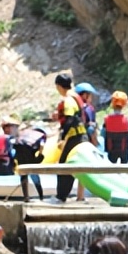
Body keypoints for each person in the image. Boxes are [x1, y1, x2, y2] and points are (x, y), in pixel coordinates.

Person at [52, 73, 85, 202]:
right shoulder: (73, 96)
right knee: (70, 165)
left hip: (74, 137)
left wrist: (63, 137)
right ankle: (64, 195)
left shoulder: (68, 100)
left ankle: (61, 196)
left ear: (59, 86)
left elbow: (70, 119)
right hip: (80, 135)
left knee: (63, 166)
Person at [13, 124, 47, 202]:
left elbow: (16, 142)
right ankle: (41, 196)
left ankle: (26, 197)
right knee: (34, 175)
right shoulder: (41, 136)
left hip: (19, 151)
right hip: (29, 154)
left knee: (24, 176)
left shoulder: (26, 133)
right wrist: (40, 154)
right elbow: (42, 145)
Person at [102, 91, 128, 164]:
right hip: (124, 151)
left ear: (112, 104)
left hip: (111, 150)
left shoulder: (106, 119)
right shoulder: (127, 120)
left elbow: (102, 133)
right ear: (123, 105)